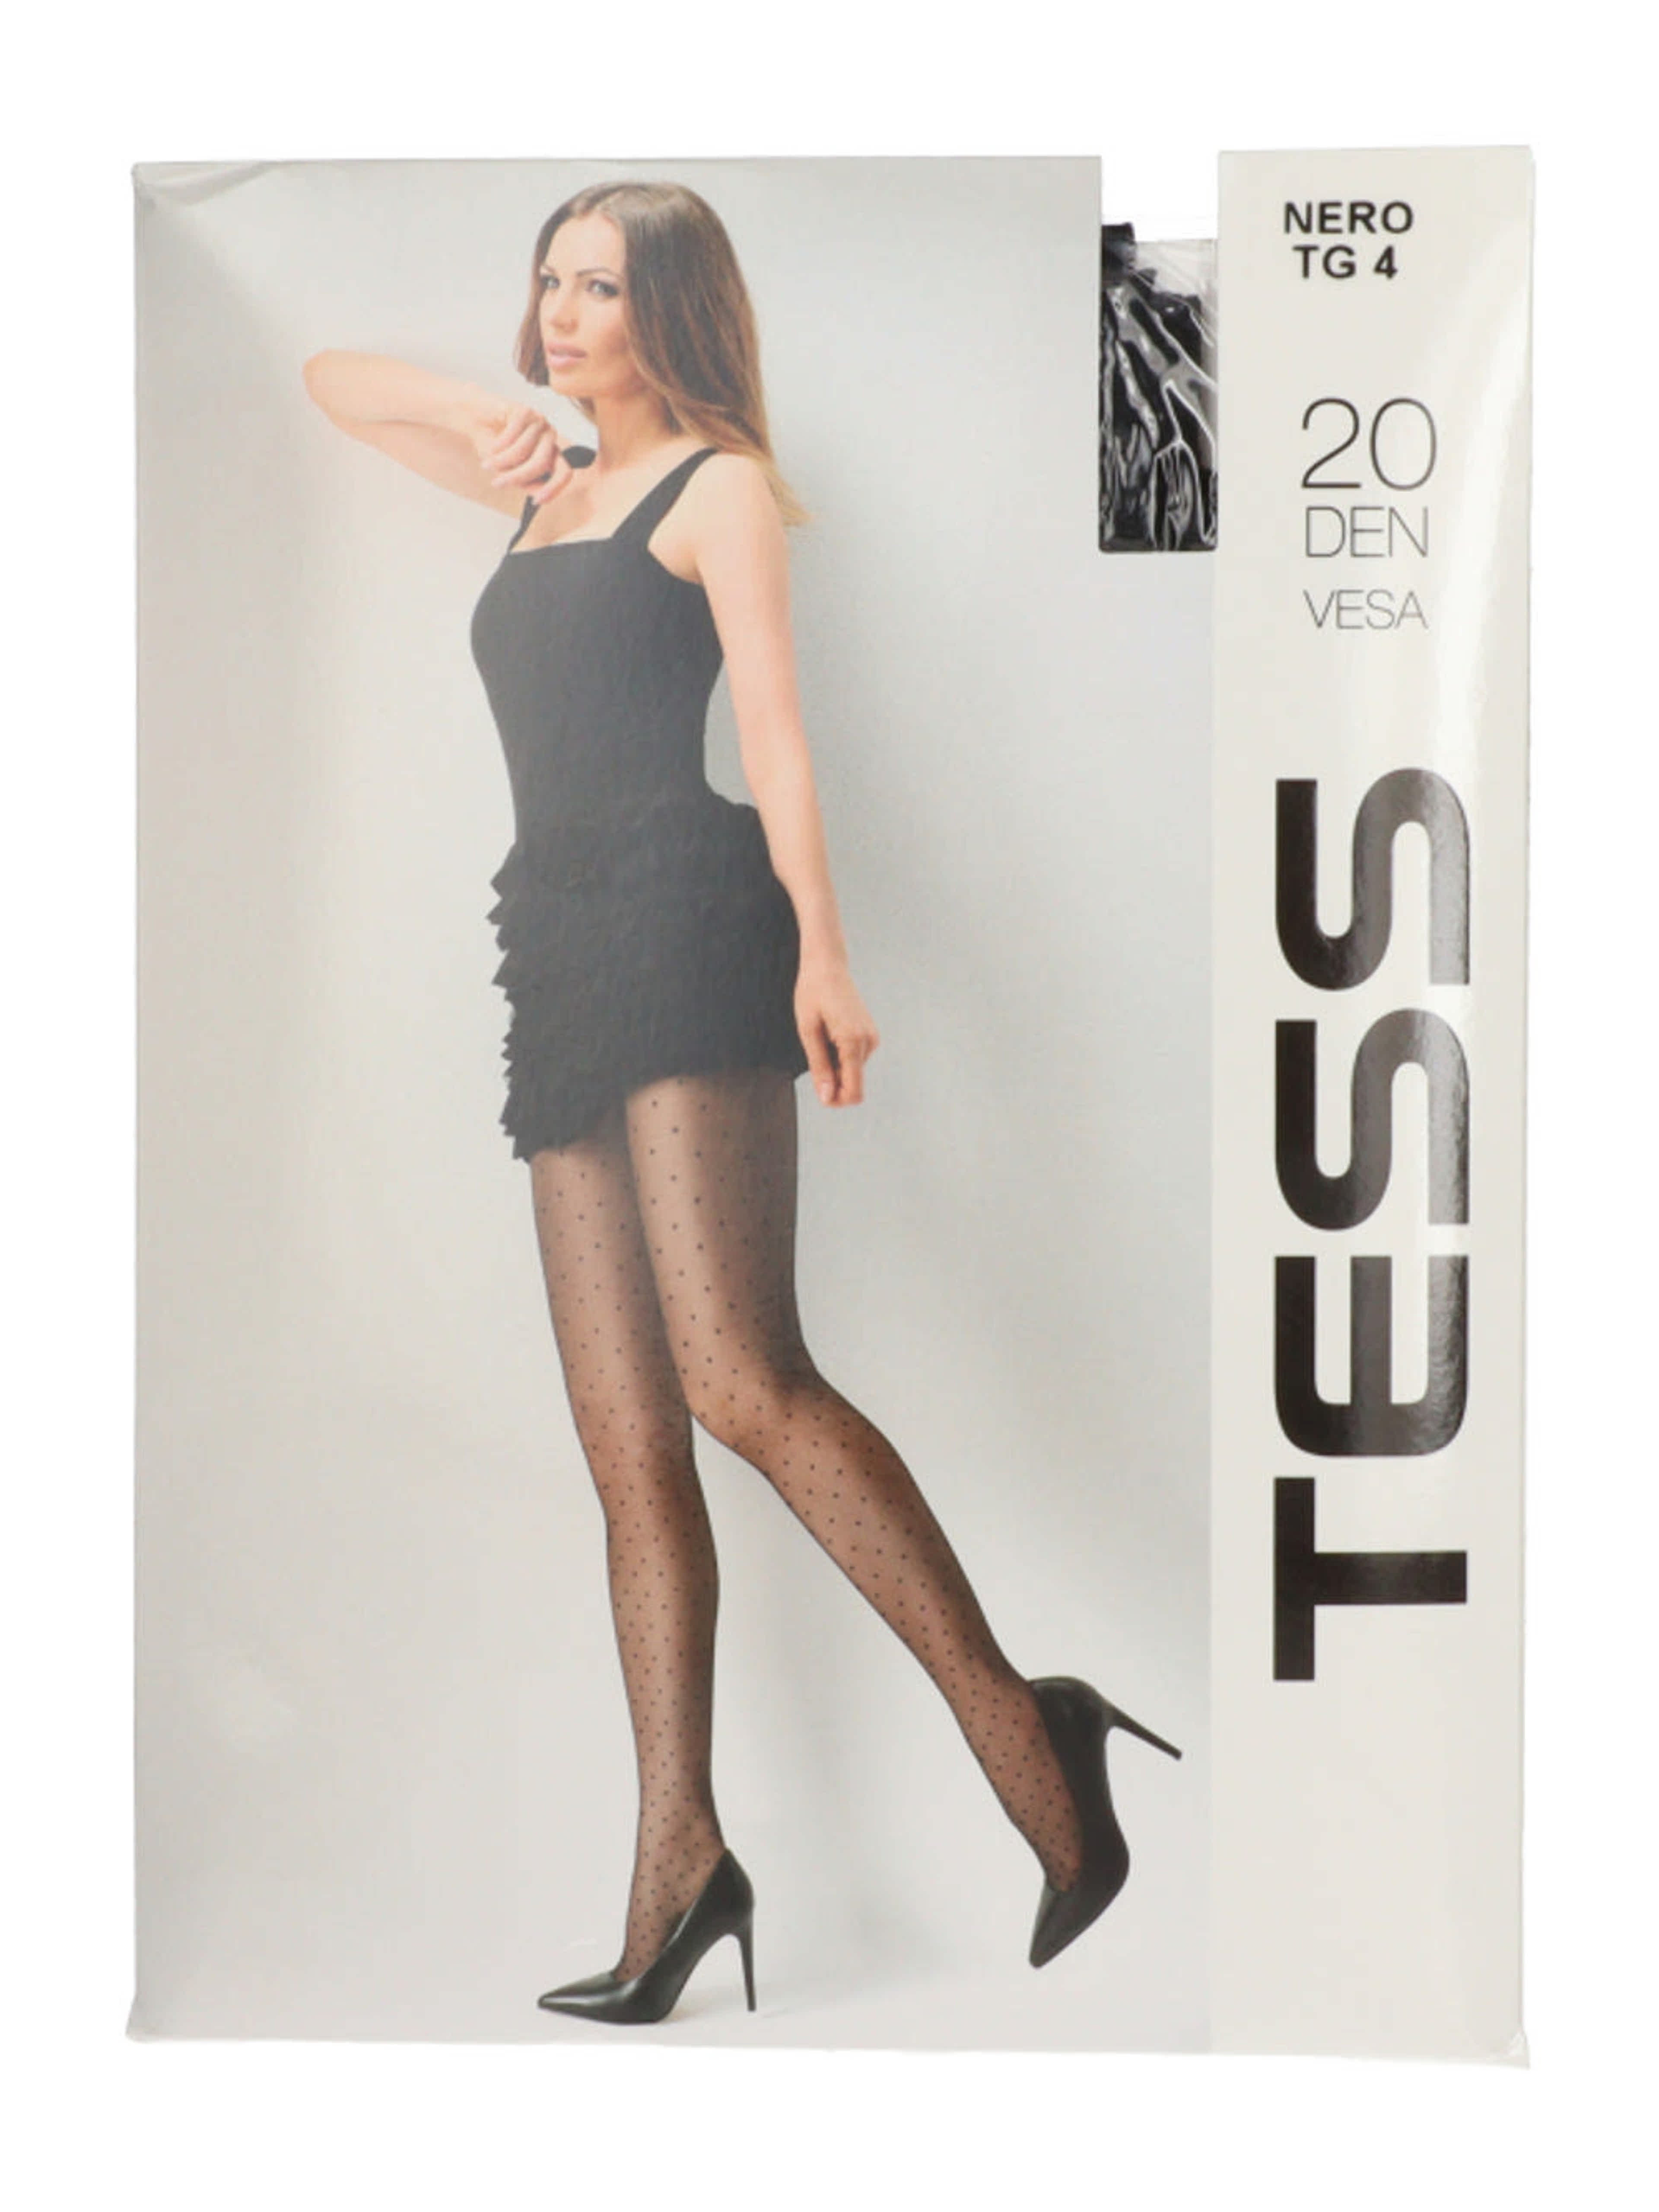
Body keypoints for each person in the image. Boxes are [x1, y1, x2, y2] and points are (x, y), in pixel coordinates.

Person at [302, 178, 1177, 2028]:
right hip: (556, 947)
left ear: (673, 311)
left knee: (741, 1378)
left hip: (691, 927)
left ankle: (1026, 1724)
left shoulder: (717, 490)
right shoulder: (541, 480)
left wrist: (825, 953)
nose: (562, 314)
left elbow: (775, 729)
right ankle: (679, 1857)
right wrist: (477, 411)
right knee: (628, 1442)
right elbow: (328, 379)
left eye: (602, 287)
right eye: (550, 280)